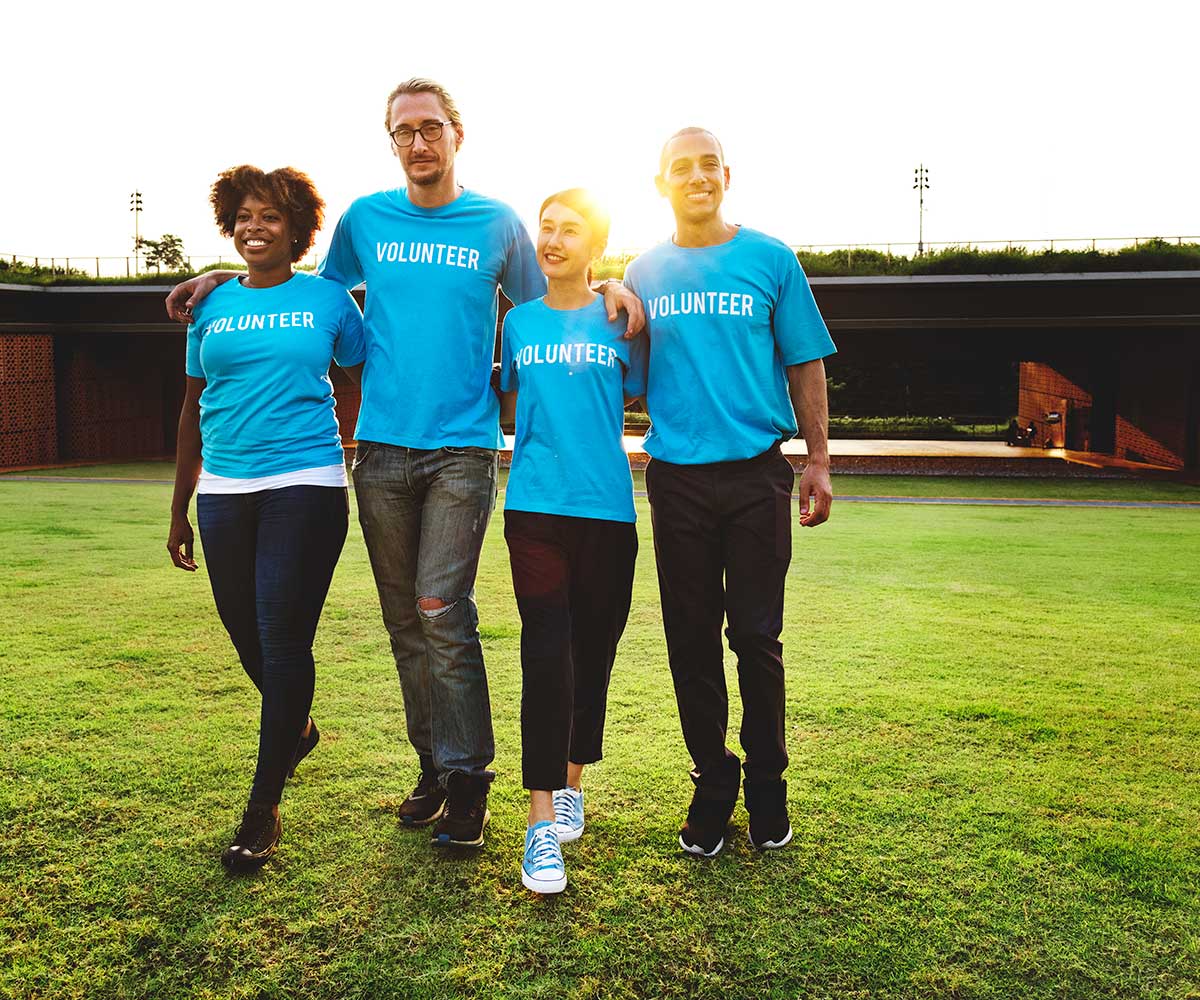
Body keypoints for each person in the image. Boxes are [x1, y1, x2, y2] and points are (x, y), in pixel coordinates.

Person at [166, 79, 644, 850]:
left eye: (430, 128)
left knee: (439, 609)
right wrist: (223, 280)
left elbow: (555, 301)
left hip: (463, 448)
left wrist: (615, 281)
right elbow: (303, 293)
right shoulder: (365, 219)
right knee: (402, 622)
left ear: (457, 134)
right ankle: (433, 767)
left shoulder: (497, 223)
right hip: (381, 450)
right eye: (403, 131)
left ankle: (468, 778)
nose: (417, 143)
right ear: (390, 141)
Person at [623, 127, 837, 857]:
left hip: (756, 475)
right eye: (681, 168)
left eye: (708, 165)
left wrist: (818, 462)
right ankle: (713, 782)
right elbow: (625, 366)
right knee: (690, 640)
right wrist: (607, 295)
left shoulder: (771, 259)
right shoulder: (644, 270)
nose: (697, 177)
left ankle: (769, 784)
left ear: (726, 175)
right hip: (677, 480)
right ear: (662, 184)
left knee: (755, 636)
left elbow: (806, 363)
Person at [167, 165, 366, 872]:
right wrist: (179, 506)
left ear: (296, 229)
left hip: (305, 482)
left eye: (271, 216)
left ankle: (262, 806)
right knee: (244, 632)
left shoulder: (329, 300)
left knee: (282, 638)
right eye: (245, 216)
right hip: (224, 489)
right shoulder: (210, 304)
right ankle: (298, 728)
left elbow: (369, 376)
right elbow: (192, 407)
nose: (256, 227)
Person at [499, 189, 648, 894]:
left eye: (570, 230)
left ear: (596, 246)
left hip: (608, 513)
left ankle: (571, 784)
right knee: (545, 651)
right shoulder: (517, 323)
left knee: (593, 653)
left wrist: (616, 289)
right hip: (533, 507)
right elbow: (510, 402)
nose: (554, 241)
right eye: (547, 229)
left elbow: (640, 393)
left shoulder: (622, 320)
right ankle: (538, 824)